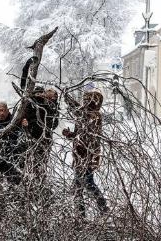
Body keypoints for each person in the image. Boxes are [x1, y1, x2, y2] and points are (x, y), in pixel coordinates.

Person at [63, 84, 108, 214]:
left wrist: (66, 97)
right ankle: (82, 213)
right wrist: (69, 134)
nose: (84, 102)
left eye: (87, 100)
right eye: (84, 100)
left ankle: (102, 209)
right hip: (79, 156)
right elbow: (79, 135)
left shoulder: (94, 116)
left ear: (94, 102)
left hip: (87, 158)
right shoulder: (84, 115)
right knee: (79, 186)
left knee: (87, 184)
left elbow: (89, 139)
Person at [21, 87, 59, 179]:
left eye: (51, 95)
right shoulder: (30, 104)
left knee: (41, 164)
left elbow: (53, 124)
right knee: (29, 163)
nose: (41, 96)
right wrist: (25, 123)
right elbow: (24, 117)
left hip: (44, 139)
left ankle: (39, 183)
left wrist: (52, 102)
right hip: (31, 137)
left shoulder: (51, 106)